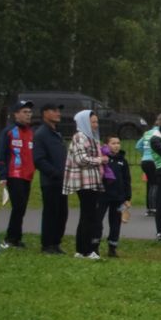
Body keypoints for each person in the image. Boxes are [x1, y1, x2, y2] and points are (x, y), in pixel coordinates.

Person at [64, 108, 107, 261]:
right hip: (84, 181)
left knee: (88, 215)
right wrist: (99, 160)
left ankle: (82, 249)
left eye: (96, 122)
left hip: (92, 181)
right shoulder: (80, 137)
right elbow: (81, 159)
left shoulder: (92, 137)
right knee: (88, 216)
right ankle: (85, 250)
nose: (96, 125)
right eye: (93, 122)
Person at [34, 101, 69, 255]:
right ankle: (47, 244)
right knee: (51, 213)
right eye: (54, 111)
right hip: (50, 182)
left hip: (63, 181)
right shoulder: (41, 134)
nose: (58, 114)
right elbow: (39, 160)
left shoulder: (57, 133)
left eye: (58, 111)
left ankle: (56, 242)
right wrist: (55, 173)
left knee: (62, 213)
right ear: (45, 114)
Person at [0, 100, 35, 249]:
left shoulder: (31, 132)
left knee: (22, 208)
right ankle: (10, 238)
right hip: (14, 175)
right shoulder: (9, 131)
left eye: (29, 112)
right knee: (18, 207)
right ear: (16, 114)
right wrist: (2, 175)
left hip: (28, 176)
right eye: (24, 112)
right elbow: (2, 153)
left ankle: (16, 237)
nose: (28, 115)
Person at [103, 134, 133, 257]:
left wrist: (127, 197)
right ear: (106, 145)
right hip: (103, 195)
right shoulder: (103, 159)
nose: (116, 145)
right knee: (97, 219)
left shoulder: (122, 160)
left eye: (118, 143)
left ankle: (112, 246)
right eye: (113, 143)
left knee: (115, 221)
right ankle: (93, 245)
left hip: (118, 196)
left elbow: (127, 179)